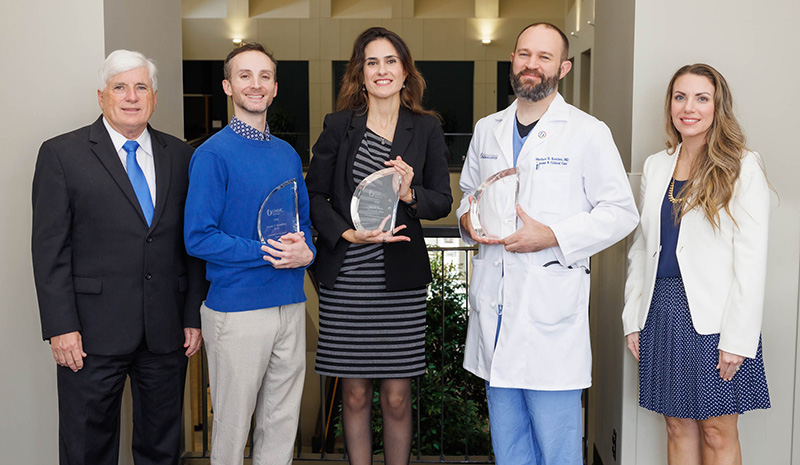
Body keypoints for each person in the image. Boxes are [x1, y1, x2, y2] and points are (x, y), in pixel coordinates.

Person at [457, 23, 639, 464]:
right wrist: (467, 219)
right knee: (510, 448)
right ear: (513, 60)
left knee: (556, 450)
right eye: (524, 54)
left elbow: (621, 212)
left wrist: (553, 236)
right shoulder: (488, 130)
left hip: (549, 316)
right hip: (495, 317)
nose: (531, 65)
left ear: (564, 67)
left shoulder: (586, 132)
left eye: (543, 57)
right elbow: (468, 194)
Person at [31, 49, 206, 465]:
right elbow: (49, 249)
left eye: (141, 86)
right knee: (87, 448)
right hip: (89, 335)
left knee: (162, 448)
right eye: (120, 87)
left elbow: (192, 244)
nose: (132, 96)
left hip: (165, 333)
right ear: (101, 96)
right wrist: (61, 327)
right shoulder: (62, 154)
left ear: (154, 96)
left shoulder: (181, 157)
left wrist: (191, 314)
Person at [305, 26, 452, 465]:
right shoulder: (338, 126)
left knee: (396, 398)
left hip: (400, 284)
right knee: (352, 395)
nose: (382, 70)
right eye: (372, 62)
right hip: (347, 277)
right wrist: (346, 232)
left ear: (405, 71)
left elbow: (442, 201)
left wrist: (410, 193)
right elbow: (313, 195)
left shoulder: (426, 129)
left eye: (391, 61)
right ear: (360, 73)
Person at [622, 63, 771, 465]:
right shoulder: (656, 165)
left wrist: (738, 338)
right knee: (676, 426)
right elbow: (641, 247)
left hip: (717, 318)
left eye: (701, 98)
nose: (689, 107)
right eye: (680, 97)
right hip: (662, 311)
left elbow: (752, 259)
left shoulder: (743, 164)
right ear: (670, 105)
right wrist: (633, 316)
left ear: (717, 106)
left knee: (718, 430)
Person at [183, 42, 314, 465]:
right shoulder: (211, 155)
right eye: (245, 75)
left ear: (274, 88)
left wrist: (306, 252)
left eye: (264, 77)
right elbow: (198, 238)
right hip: (237, 312)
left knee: (280, 423)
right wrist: (265, 251)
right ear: (228, 85)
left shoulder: (288, 155)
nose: (255, 84)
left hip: (290, 305)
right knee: (233, 428)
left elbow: (303, 224)